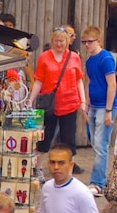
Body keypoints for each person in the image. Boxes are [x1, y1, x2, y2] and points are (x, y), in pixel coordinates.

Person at [31, 144, 101, 213]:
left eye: (61, 163)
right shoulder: (47, 187)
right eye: (52, 162)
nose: (56, 167)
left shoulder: (81, 192)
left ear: (71, 165)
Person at [30, 27, 86, 158]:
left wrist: (83, 101)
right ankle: (37, 169)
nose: (59, 44)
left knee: (68, 140)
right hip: (50, 104)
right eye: (56, 41)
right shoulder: (44, 57)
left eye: (61, 41)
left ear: (67, 41)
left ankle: (68, 169)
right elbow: (39, 81)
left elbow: (79, 80)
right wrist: (30, 99)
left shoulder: (74, 57)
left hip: (69, 103)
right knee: (44, 138)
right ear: (52, 41)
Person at [81, 25, 117, 196]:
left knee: (101, 145)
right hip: (94, 105)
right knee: (94, 142)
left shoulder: (106, 59)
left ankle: (98, 183)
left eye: (90, 42)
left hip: (105, 106)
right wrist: (87, 105)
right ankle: (97, 180)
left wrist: (109, 110)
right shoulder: (89, 61)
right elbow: (90, 83)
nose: (87, 45)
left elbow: (112, 84)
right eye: (84, 42)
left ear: (98, 41)